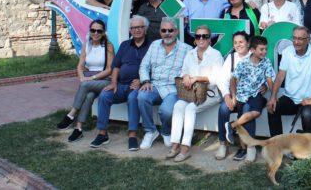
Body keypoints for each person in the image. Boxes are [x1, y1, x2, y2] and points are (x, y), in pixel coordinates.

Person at [90, 16, 151, 149]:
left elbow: (156, 68)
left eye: (140, 27)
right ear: (130, 30)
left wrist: (142, 80)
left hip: (137, 86)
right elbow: (116, 66)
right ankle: (102, 133)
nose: (137, 30)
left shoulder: (152, 46)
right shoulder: (125, 45)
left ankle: (132, 135)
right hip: (121, 84)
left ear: (145, 29)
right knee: (105, 95)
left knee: (133, 97)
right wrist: (113, 82)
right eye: (134, 28)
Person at [132, 18, 192, 149]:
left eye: (170, 30)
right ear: (160, 32)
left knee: (167, 111)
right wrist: (146, 81)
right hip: (155, 85)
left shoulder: (187, 49)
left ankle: (165, 132)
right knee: (142, 96)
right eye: (164, 30)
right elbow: (144, 66)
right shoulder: (154, 45)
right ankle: (150, 131)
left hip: (174, 89)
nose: (167, 33)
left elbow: (191, 70)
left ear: (176, 31)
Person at [167, 25, 223, 162]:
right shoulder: (190, 54)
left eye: (205, 36)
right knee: (178, 105)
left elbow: (217, 79)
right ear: (195, 39)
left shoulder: (216, 55)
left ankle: (185, 148)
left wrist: (198, 78)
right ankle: (175, 144)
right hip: (191, 92)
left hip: (210, 93)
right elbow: (183, 71)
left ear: (210, 39)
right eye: (198, 36)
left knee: (190, 108)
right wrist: (186, 76)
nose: (201, 39)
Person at [56, 19, 114, 142]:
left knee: (84, 86)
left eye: (99, 31)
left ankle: (71, 114)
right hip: (89, 80)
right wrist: (81, 76)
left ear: (104, 32)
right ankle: (79, 129)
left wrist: (90, 79)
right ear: (90, 31)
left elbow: (109, 69)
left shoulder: (108, 46)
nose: (96, 33)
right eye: (93, 30)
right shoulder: (87, 44)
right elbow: (80, 64)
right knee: (89, 96)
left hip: (104, 79)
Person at [267, 26, 311, 136]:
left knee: (307, 113)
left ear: (308, 40)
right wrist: (272, 97)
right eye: (294, 38)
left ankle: (310, 151)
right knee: (273, 107)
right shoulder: (287, 51)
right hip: (291, 98)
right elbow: (281, 75)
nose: (296, 42)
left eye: (300, 38)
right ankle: (278, 147)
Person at [227, 36, 275, 162]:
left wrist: (272, 97)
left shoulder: (266, 62)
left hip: (256, 94)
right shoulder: (243, 63)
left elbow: (270, 81)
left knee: (256, 112)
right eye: (261, 49)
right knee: (245, 114)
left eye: (266, 49)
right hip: (242, 95)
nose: (264, 52)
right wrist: (233, 96)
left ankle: (232, 126)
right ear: (253, 50)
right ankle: (246, 148)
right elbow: (233, 80)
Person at [216, 31, 252, 160]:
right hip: (233, 97)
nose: (238, 45)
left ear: (248, 43)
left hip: (249, 98)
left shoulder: (255, 56)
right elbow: (222, 79)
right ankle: (222, 144)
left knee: (247, 110)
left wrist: (264, 85)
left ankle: (245, 147)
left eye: (241, 42)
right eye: (235, 42)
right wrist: (226, 96)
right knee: (223, 109)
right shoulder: (231, 58)